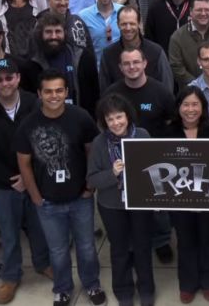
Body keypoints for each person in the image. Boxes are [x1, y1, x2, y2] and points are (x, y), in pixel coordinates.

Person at [15, 69, 105, 306]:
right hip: (47, 202)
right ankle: (63, 289)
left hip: (80, 198)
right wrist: (35, 196)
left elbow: (92, 152)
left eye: (58, 91)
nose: (53, 96)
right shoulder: (28, 124)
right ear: (39, 94)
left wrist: (89, 187)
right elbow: (24, 163)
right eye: (48, 91)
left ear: (66, 92)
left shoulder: (81, 117)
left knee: (87, 247)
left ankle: (92, 284)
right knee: (57, 250)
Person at [0, 58, 51, 303]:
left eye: (9, 77)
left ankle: (43, 263)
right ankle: (11, 276)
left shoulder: (35, 104)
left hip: (34, 180)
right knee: (9, 234)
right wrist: (13, 180)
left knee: (39, 227)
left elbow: (44, 141)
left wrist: (29, 176)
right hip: (4, 186)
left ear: (18, 78)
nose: (5, 83)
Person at [86, 95, 155, 306]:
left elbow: (155, 168)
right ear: (104, 121)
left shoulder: (143, 135)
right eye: (110, 119)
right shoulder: (99, 143)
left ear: (128, 116)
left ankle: (146, 289)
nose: (116, 123)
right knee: (119, 249)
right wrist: (112, 173)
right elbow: (91, 179)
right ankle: (123, 291)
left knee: (142, 247)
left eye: (119, 117)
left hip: (140, 203)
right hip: (112, 205)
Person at [166, 87, 209, 302]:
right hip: (179, 196)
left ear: (203, 107)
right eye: (186, 104)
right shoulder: (168, 131)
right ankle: (188, 282)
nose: (190, 109)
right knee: (185, 239)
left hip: (207, 195)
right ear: (178, 107)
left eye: (195, 104)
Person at [27, 12, 100, 111]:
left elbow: (95, 94)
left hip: (80, 116)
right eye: (48, 32)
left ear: (65, 33)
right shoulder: (32, 64)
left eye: (58, 31)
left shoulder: (83, 57)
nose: (53, 36)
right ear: (41, 34)